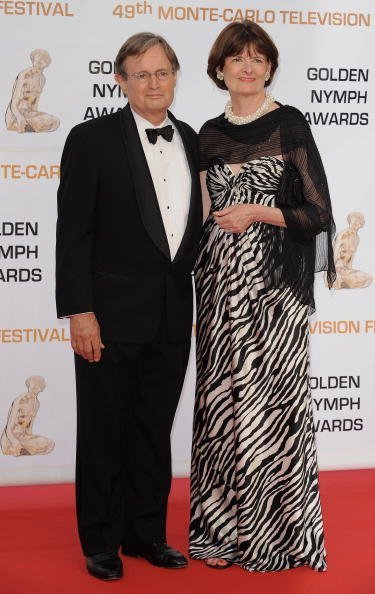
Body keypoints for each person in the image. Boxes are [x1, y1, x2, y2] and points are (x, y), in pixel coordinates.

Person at [189, 20, 335, 572]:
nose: (247, 67)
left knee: (270, 411)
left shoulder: (289, 125)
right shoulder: (205, 133)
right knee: (224, 406)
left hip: (274, 295)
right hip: (219, 292)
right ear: (220, 69)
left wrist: (258, 211)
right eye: (236, 58)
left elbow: (317, 213)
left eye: (257, 58)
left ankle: (274, 539)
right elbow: (200, 215)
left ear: (270, 67)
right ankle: (223, 533)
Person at [55, 32, 201, 581]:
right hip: (108, 317)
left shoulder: (189, 137)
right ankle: (99, 541)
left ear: (175, 76)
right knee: (102, 431)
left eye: (162, 72)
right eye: (140, 74)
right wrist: (80, 311)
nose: (153, 83)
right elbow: (73, 235)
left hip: (169, 314)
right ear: (119, 79)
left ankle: (145, 533)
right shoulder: (89, 140)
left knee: (152, 430)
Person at [5, 49, 59, 133]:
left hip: (29, 114)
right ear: (33, 61)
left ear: (46, 64)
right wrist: (19, 117)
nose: (38, 64)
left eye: (41, 62)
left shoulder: (42, 79)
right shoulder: (24, 75)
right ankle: (20, 125)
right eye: (36, 61)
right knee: (45, 121)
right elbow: (14, 102)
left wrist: (37, 117)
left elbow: (35, 103)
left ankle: (27, 126)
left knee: (55, 121)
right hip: (16, 115)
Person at [1, 375, 54, 456]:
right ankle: (16, 449)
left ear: (41, 389)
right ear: (29, 386)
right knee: (33, 444)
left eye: (37, 388)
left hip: (23, 437)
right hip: (10, 439)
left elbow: (29, 429)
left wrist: (32, 441)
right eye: (32, 387)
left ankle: (23, 450)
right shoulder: (19, 401)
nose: (34, 390)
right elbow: (8, 429)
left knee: (50, 443)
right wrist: (15, 442)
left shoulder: (37, 404)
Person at [332, 211, 372, 289]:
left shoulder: (357, 239)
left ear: (361, 225)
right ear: (350, 222)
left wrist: (350, 271)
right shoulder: (342, 235)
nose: (354, 226)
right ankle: (338, 280)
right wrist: (331, 272)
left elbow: (351, 258)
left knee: (369, 278)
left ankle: (345, 281)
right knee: (359, 277)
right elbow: (335, 252)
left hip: (345, 270)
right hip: (336, 268)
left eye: (357, 224)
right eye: (353, 223)